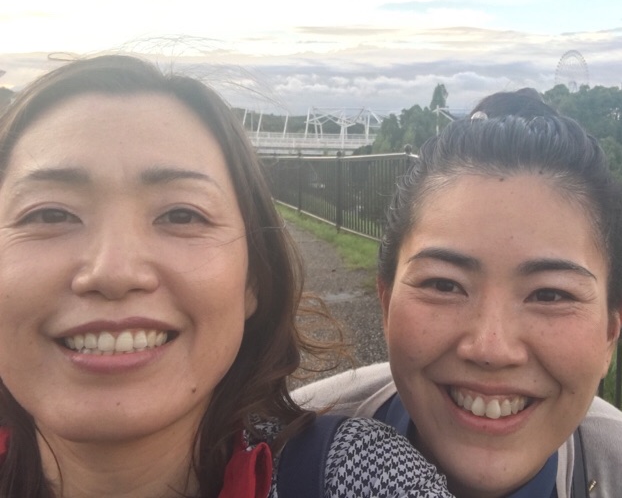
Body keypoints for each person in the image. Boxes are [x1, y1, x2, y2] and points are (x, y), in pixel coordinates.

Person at [0, 55, 453, 497]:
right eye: (49, 214)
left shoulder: (361, 478)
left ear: (253, 278)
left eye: (181, 214)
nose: (113, 272)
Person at [293, 89, 622, 497]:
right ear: (386, 306)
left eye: (549, 295)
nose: (491, 349)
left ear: (610, 333)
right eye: (444, 285)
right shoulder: (289, 456)